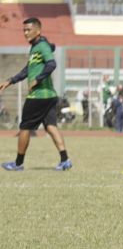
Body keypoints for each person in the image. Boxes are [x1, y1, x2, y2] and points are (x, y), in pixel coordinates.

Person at [0, 17, 72, 171]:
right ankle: (65, 160)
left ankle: (18, 164)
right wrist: (10, 81)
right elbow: (27, 70)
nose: (25, 33)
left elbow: (52, 64)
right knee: (51, 126)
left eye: (28, 30)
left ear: (38, 31)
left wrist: (37, 80)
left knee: (25, 127)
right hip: (49, 96)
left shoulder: (41, 46)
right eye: (24, 30)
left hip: (38, 96)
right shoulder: (35, 47)